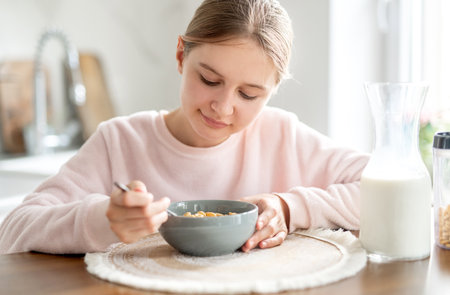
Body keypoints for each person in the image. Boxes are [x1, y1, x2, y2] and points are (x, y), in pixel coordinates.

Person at [0, 0, 369, 254]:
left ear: (272, 92)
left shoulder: (282, 136)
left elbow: (397, 184)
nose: (223, 107)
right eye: (209, 79)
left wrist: (290, 207)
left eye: (250, 94)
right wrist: (103, 221)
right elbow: (13, 229)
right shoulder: (120, 141)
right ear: (181, 55)